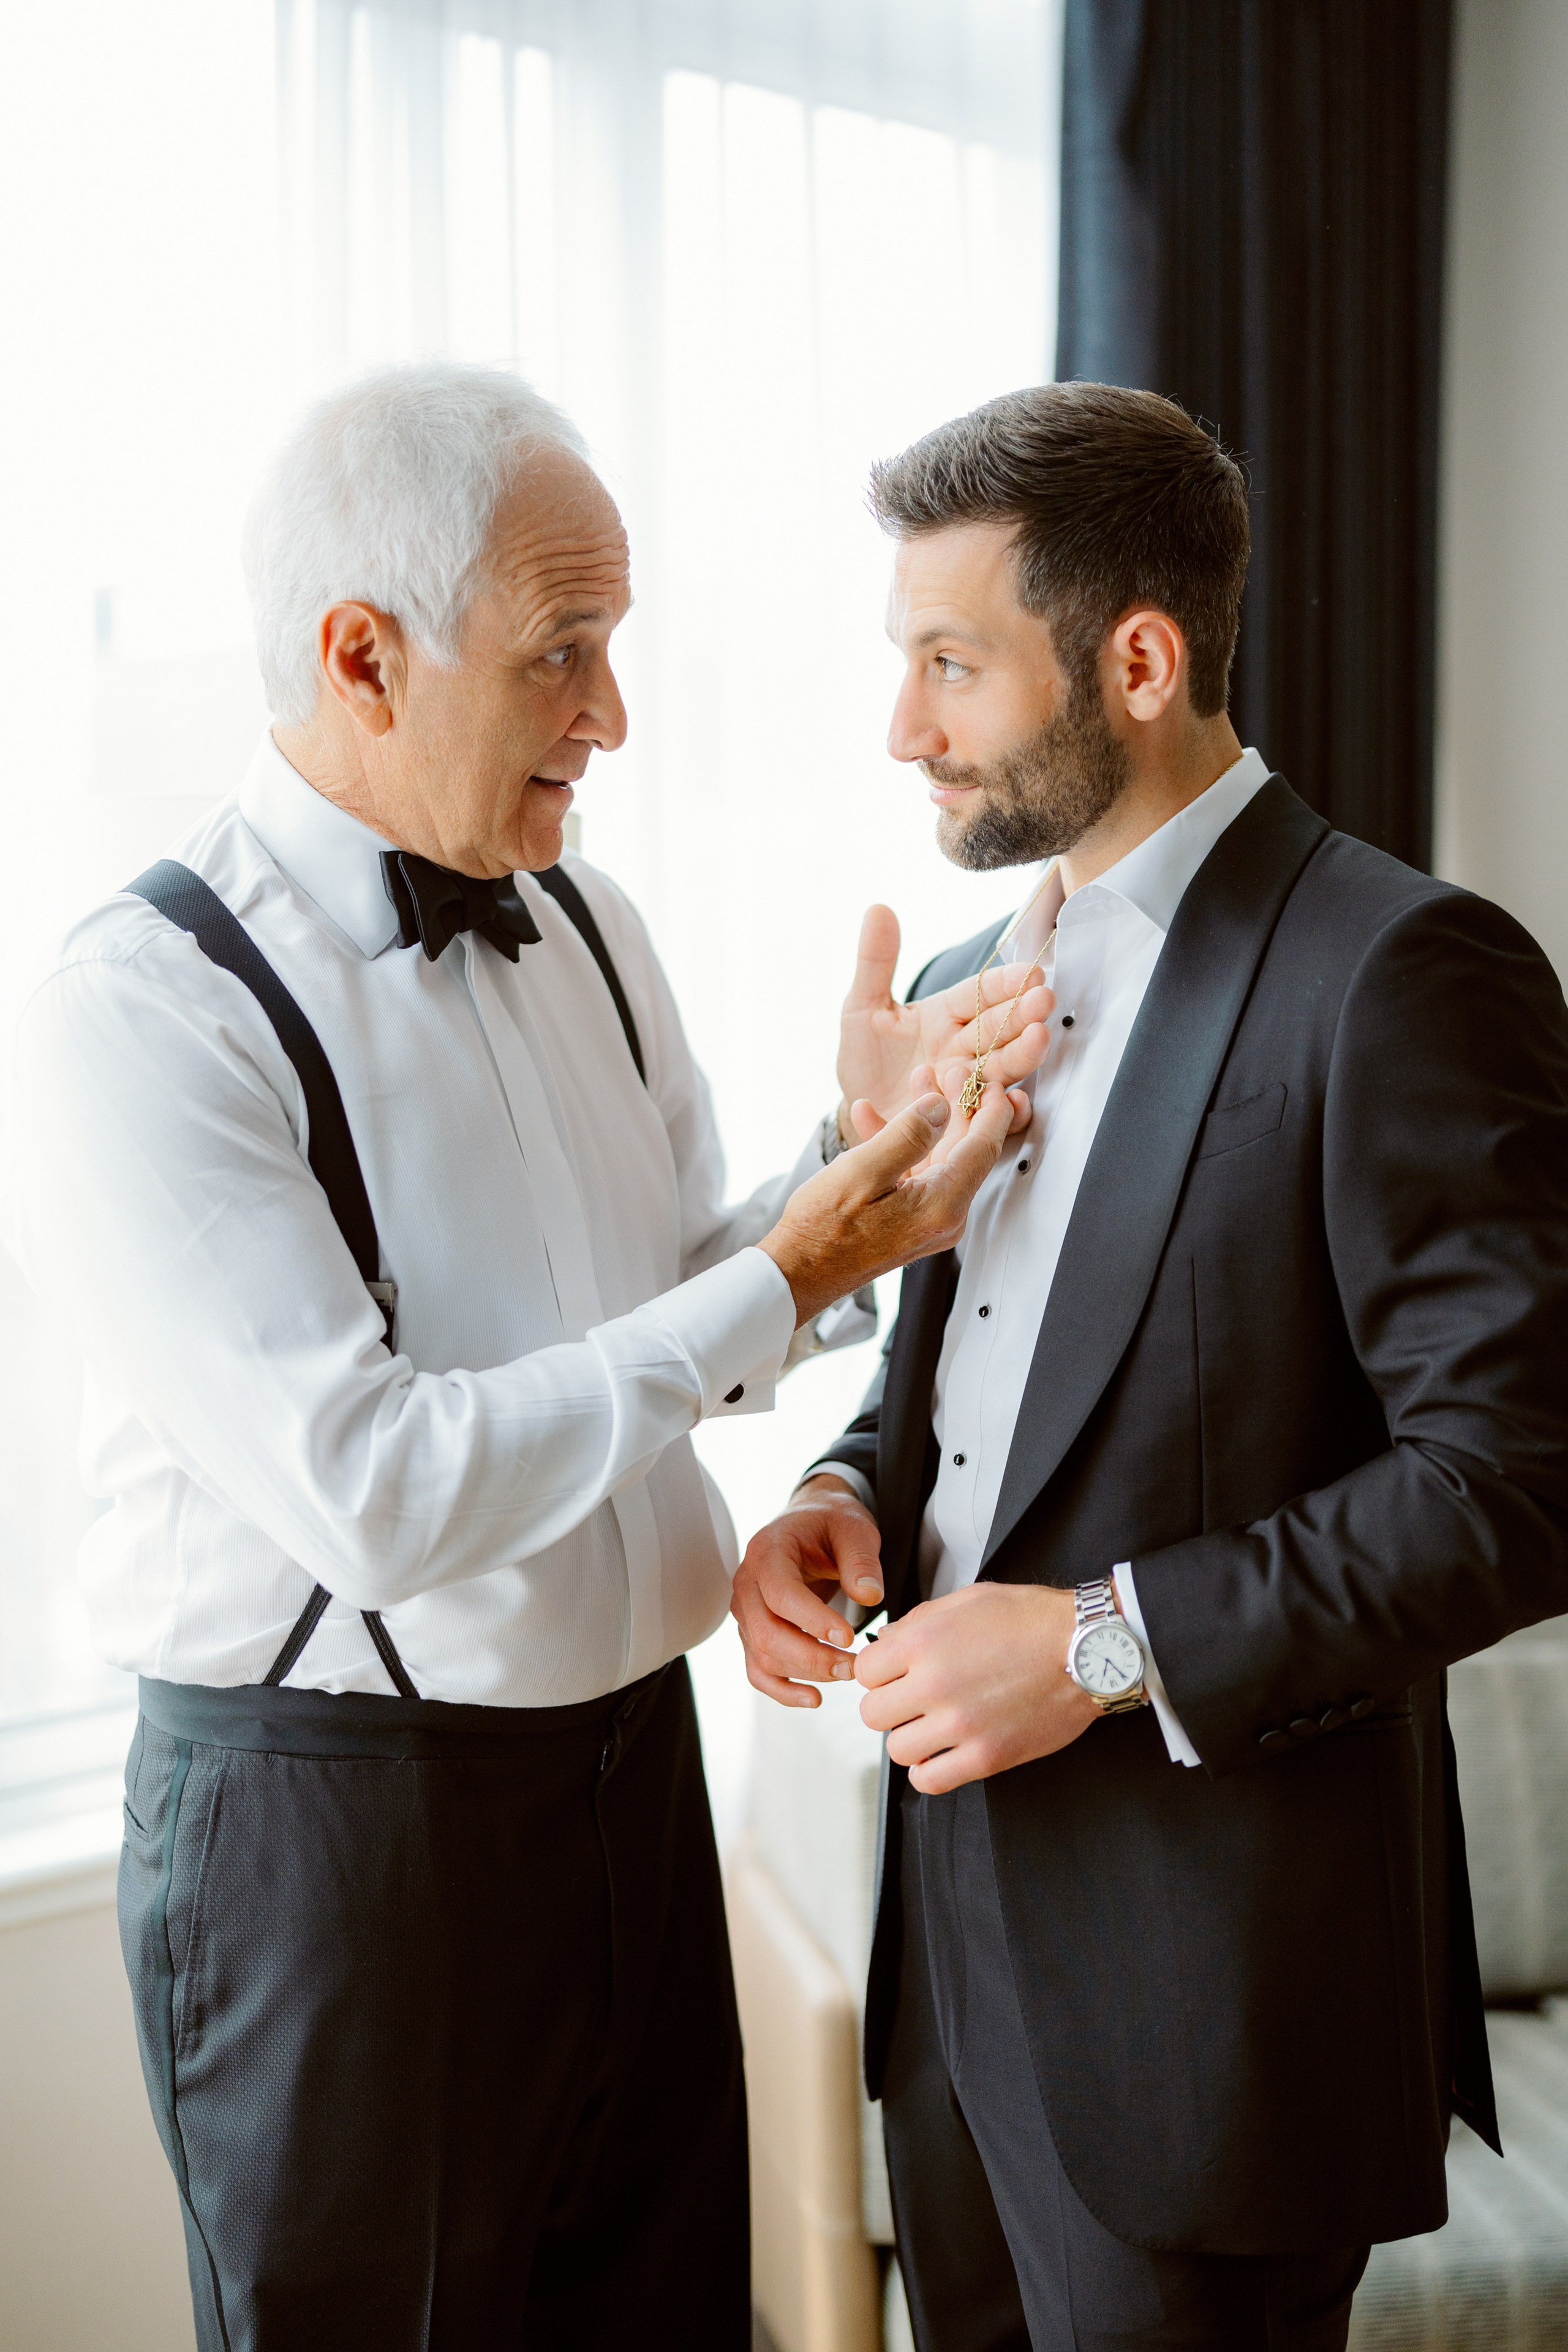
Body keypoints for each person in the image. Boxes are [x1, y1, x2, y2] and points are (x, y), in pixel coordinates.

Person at [1, 363, 1051, 2352]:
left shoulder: (591, 927)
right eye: (566, 651)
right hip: (336, 1851)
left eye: (618, 647)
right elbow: (380, 1490)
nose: (615, 714)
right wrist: (794, 1260)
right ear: (362, 655)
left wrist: (866, 1173)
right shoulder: (142, 1014)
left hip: (634, 1787)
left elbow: (682, 1317)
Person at [731, 380, 1568, 2351]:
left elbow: (1516, 1484)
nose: (901, 728)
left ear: (1137, 658)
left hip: (1220, 2003)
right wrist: (846, 1496)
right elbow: (968, 1387)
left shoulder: (1402, 971)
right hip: (950, 1959)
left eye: (951, 662)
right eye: (899, 659)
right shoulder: (955, 992)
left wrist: (1097, 1646)